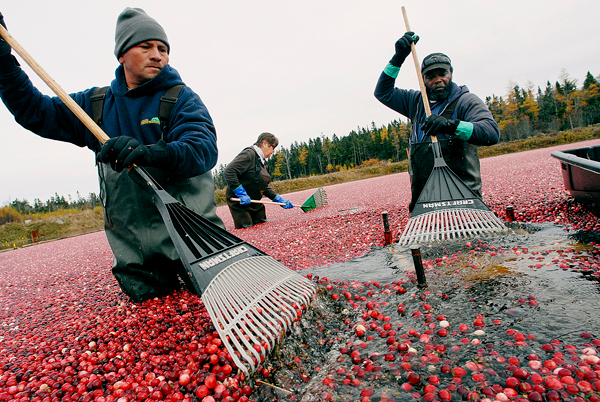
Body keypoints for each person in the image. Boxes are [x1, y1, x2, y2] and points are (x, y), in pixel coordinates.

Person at [0, 8, 224, 302]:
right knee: (153, 324)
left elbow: (202, 149)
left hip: (196, 240)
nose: (158, 55)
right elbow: (35, 112)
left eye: (163, 49)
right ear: (121, 54)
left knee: (212, 307)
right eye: (146, 47)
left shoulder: (180, 98)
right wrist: (4, 61)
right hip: (138, 255)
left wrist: (149, 153)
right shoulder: (95, 106)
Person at [374, 32, 500, 212]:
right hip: (425, 203)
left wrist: (452, 126)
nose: (438, 80)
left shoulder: (466, 101)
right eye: (430, 76)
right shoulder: (415, 102)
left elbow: (492, 133)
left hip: (465, 202)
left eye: (443, 73)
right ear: (423, 79)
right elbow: (383, 93)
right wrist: (397, 58)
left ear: (451, 73)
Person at [224, 132, 294, 228]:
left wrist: (278, 199)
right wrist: (241, 193)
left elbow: (262, 185)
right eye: (273, 147)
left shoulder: (263, 162)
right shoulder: (249, 154)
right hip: (240, 201)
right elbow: (229, 171)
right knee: (246, 229)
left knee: (262, 225)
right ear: (264, 143)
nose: (273, 151)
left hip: (255, 201)